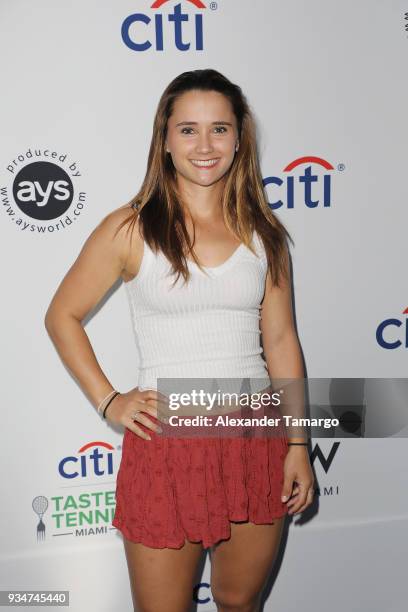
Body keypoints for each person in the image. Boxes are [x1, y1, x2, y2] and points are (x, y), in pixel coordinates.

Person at [44, 69, 315, 612]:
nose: (205, 145)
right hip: (167, 447)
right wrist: (110, 400)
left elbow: (282, 342)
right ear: (164, 139)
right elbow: (62, 316)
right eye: (188, 129)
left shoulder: (265, 234)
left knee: (239, 601)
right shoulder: (130, 228)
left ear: (240, 137)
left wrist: (298, 444)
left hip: (253, 436)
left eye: (220, 128)